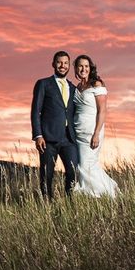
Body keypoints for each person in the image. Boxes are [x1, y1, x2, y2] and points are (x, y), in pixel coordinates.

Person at [31, 51, 78, 199]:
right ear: (53, 64)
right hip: (48, 138)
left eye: (65, 63)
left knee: (73, 172)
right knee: (47, 175)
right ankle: (46, 206)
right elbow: (35, 111)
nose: (62, 66)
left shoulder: (73, 88)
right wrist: (38, 135)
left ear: (69, 66)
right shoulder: (43, 84)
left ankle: (69, 203)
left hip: (69, 138)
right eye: (59, 62)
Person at [72, 54, 118, 197]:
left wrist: (96, 133)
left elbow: (102, 111)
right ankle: (100, 194)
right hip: (78, 132)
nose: (83, 69)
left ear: (90, 68)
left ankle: (102, 194)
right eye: (80, 66)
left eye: (86, 66)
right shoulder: (78, 86)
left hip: (92, 132)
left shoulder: (97, 84)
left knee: (86, 166)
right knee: (85, 166)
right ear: (76, 68)